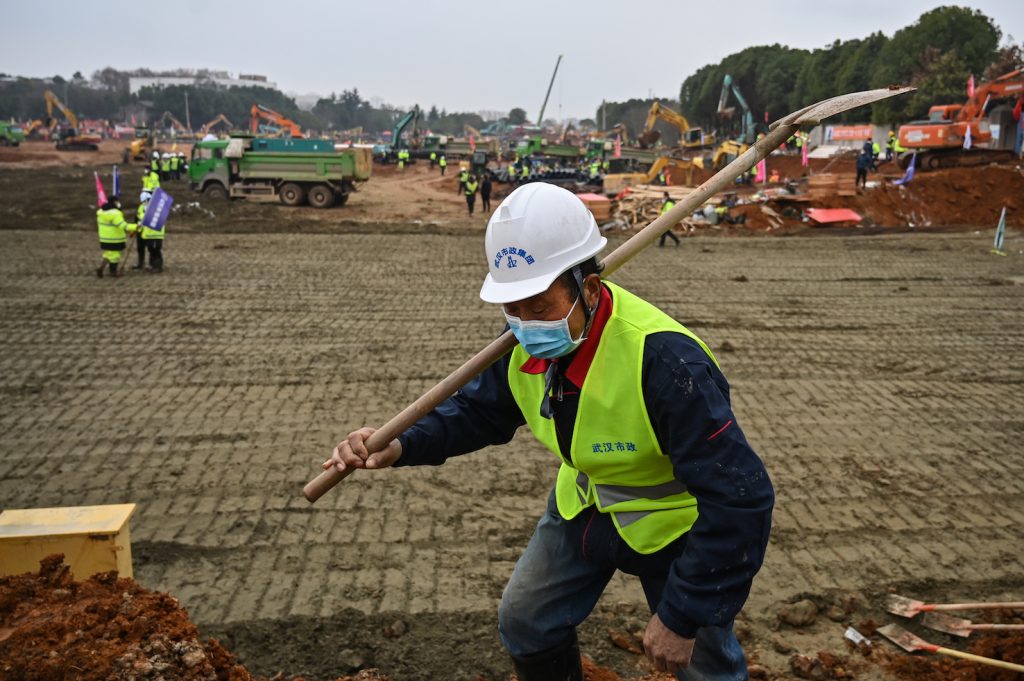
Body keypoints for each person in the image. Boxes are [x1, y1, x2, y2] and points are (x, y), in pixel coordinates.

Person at [324, 182, 774, 681]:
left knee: (701, 664)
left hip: (673, 528)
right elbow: (479, 412)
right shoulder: (522, 342)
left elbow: (741, 499)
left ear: (591, 290)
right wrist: (403, 443)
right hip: (583, 508)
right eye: (511, 308)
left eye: (538, 306)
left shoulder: (666, 364)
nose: (524, 324)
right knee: (526, 622)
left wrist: (683, 615)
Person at [96, 196, 137, 278]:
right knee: (115, 256)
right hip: (115, 239)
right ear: (115, 202)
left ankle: (101, 268)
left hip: (104, 238)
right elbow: (123, 226)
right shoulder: (115, 214)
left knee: (109, 254)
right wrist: (136, 226)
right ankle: (113, 272)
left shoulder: (101, 212)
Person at [136, 191, 165, 272]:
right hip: (148, 234)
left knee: (156, 251)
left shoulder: (157, 207)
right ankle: (153, 265)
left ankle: (157, 267)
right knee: (151, 250)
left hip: (156, 234)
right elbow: (140, 217)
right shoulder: (142, 207)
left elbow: (148, 218)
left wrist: (144, 216)